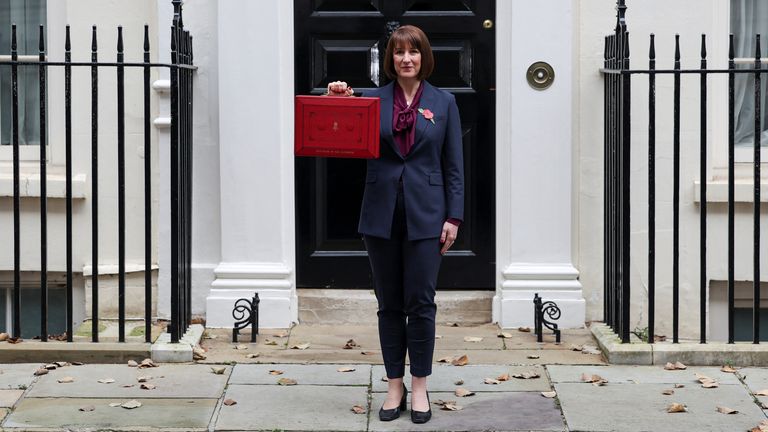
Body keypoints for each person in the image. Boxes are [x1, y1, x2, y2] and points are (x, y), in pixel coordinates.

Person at [326, 25, 464, 424]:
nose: (407, 59)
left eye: (414, 52)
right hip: (380, 216)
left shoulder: (444, 102)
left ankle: (419, 386)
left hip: (428, 215)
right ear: (391, 59)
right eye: (400, 52)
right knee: (388, 304)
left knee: (420, 303)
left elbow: (454, 167)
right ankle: (393, 385)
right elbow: (332, 126)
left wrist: (453, 216)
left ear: (424, 57)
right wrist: (336, 96)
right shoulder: (371, 99)